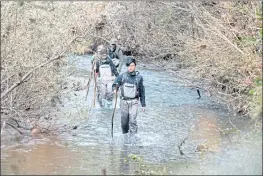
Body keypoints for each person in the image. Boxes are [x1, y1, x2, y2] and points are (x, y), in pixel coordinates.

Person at [112, 57, 146, 143]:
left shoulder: (139, 77)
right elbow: (115, 83)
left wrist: (143, 104)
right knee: (124, 122)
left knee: (133, 121)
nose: (131, 67)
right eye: (129, 66)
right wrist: (115, 89)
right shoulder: (122, 76)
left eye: (132, 65)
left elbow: (142, 91)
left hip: (134, 102)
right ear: (127, 66)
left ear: (135, 66)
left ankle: (133, 139)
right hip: (124, 102)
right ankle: (125, 138)